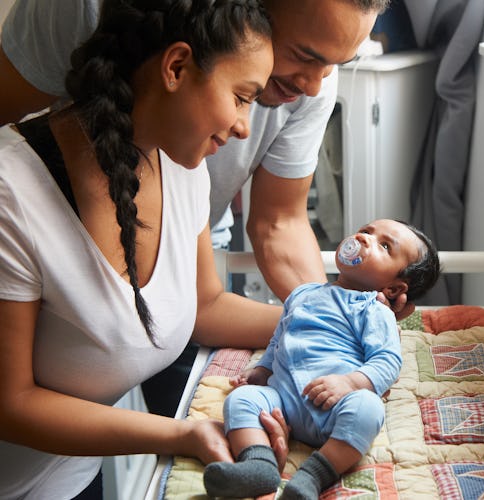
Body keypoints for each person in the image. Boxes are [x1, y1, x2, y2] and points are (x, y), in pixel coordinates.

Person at [0, 0, 410, 419]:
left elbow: (277, 223)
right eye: (305, 56)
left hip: (184, 258)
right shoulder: (84, 13)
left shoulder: (186, 175)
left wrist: (331, 317)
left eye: (335, 65)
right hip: (53, 239)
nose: (315, 86)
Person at [0, 1, 293, 498]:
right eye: (242, 97)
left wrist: (321, 315)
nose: (245, 125)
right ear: (176, 67)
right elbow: (12, 404)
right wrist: (183, 433)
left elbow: (206, 306)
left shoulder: (183, 164)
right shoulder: (13, 193)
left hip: (74, 473)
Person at [203, 219, 441, 499]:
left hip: (335, 404)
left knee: (368, 408)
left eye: (384, 246)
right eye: (366, 231)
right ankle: (259, 466)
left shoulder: (373, 310)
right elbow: (281, 335)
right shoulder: (304, 293)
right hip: (283, 401)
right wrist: (264, 368)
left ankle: (312, 476)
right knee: (241, 400)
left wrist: (351, 384)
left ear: (393, 290)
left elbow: (387, 360)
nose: (364, 238)